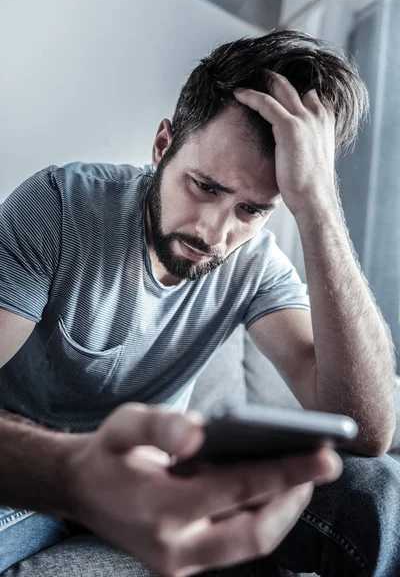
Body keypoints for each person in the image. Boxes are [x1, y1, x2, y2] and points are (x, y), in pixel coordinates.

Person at [0, 29, 399, 577]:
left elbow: (369, 429)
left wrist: (319, 204)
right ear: (163, 144)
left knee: (375, 488)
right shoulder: (58, 209)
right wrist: (71, 471)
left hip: (164, 478)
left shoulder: (256, 262)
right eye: (204, 187)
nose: (215, 233)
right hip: (30, 482)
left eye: (252, 210)